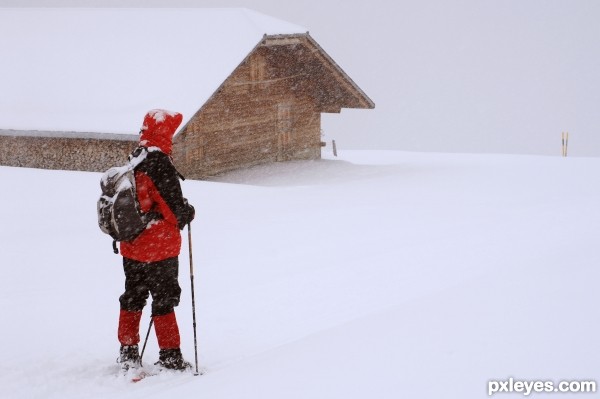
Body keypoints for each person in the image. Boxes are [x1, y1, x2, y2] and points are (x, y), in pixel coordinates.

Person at [116, 109, 195, 371]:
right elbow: (174, 212)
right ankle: (170, 356)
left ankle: (128, 350)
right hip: (158, 247)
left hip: (132, 244)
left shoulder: (135, 158)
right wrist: (187, 212)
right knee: (164, 299)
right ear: (165, 133)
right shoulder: (159, 162)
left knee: (133, 296)